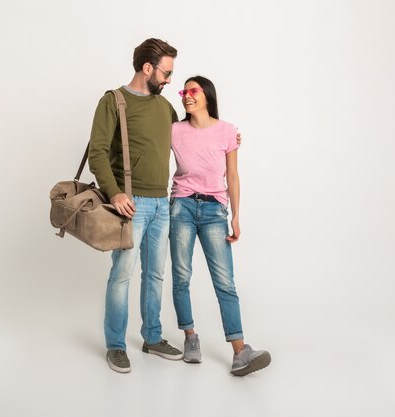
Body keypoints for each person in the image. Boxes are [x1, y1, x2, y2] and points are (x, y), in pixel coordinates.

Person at [88, 38, 184, 373]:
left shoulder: (165, 107)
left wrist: (226, 136)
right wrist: (114, 193)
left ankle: (152, 337)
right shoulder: (113, 101)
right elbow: (98, 152)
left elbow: (188, 138)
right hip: (132, 205)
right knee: (122, 275)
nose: (170, 80)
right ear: (148, 68)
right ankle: (115, 344)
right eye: (166, 73)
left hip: (162, 203)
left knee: (155, 275)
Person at [169, 76, 271, 376]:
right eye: (183, 91)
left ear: (207, 96)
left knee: (225, 282)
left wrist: (236, 215)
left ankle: (240, 352)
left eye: (193, 91)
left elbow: (233, 175)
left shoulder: (227, 131)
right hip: (182, 206)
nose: (187, 96)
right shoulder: (174, 130)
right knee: (181, 276)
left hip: (215, 210)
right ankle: (190, 338)